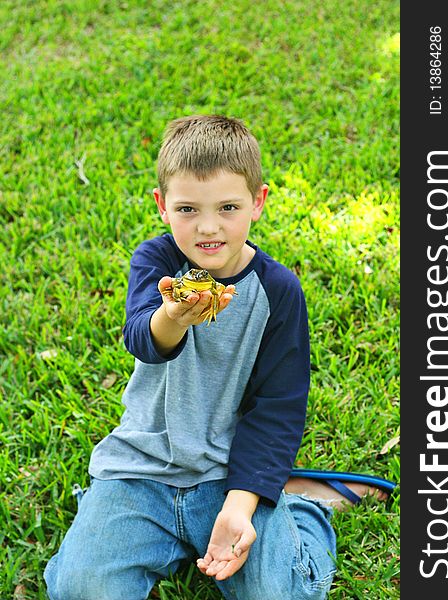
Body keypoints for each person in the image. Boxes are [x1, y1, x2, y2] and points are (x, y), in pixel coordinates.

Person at [44, 114, 389, 600]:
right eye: (188, 209)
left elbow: (277, 406)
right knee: (83, 589)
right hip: (141, 470)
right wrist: (175, 316)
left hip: (230, 473)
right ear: (163, 206)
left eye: (228, 206)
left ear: (258, 202)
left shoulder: (278, 290)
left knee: (280, 592)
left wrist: (242, 504)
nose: (208, 227)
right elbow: (144, 338)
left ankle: (302, 508)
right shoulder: (158, 263)